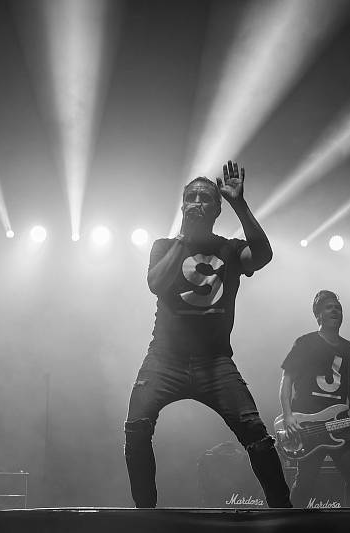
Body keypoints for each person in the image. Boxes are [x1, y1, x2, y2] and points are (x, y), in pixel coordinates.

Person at [124, 160, 292, 508]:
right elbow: (156, 284)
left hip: (215, 363)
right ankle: (145, 517)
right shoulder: (163, 245)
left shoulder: (229, 249)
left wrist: (240, 203)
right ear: (183, 205)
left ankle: (282, 511)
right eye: (191, 197)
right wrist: (183, 240)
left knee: (256, 436)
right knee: (136, 429)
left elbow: (262, 255)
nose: (198, 202)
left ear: (217, 208)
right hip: (164, 360)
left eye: (205, 198)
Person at [279, 290, 350, 507]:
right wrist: (288, 416)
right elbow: (286, 380)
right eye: (329, 307)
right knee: (305, 481)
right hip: (307, 425)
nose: (335, 310)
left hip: (341, 424)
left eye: (338, 308)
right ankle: (290, 523)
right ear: (318, 315)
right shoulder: (305, 343)